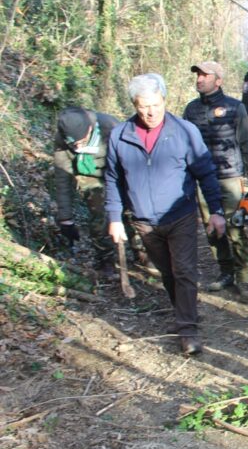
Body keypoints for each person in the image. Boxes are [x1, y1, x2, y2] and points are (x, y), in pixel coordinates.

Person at [105, 73, 226, 355]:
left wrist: (216, 211)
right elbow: (112, 178)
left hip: (180, 215)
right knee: (168, 273)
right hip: (144, 220)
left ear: (164, 100)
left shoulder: (184, 131)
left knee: (184, 271)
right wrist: (114, 217)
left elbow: (206, 173)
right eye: (143, 106)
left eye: (156, 105)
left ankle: (188, 330)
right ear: (134, 105)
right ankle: (185, 313)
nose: (150, 112)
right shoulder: (120, 136)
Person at [183, 61, 248, 300]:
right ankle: (225, 271)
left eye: (205, 75)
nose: (199, 79)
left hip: (230, 177)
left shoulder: (234, 107)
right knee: (212, 228)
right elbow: (185, 146)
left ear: (218, 80)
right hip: (202, 179)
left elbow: (246, 144)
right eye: (197, 75)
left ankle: (244, 277)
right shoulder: (191, 109)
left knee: (235, 227)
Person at [53, 107, 152, 278]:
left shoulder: (110, 127)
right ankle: (105, 259)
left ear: (90, 129)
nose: (77, 146)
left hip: (121, 170)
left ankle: (142, 252)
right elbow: (63, 178)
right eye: (73, 144)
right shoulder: (62, 140)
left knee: (131, 211)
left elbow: (133, 161)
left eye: (82, 141)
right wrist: (66, 219)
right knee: (99, 215)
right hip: (89, 175)